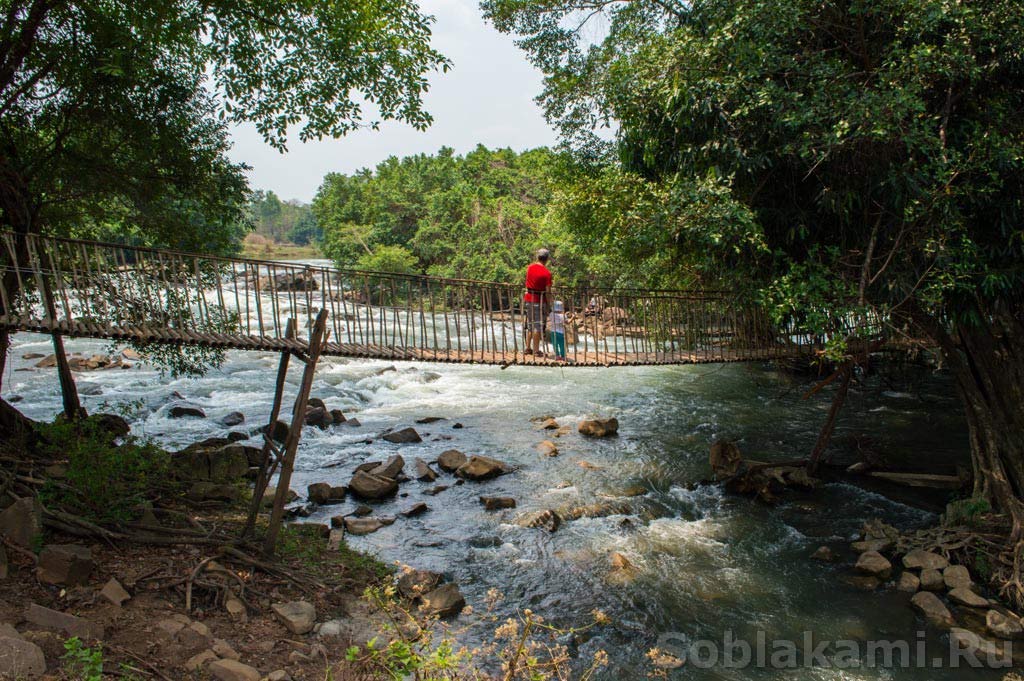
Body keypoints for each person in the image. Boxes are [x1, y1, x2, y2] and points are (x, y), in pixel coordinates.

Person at [523, 248, 552, 356]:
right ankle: (536, 350)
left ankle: (527, 348)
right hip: (539, 300)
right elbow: (548, 291)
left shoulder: (530, 268)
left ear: (537, 257)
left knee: (530, 324)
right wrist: (549, 304)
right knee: (538, 325)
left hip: (529, 298)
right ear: (547, 259)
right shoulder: (547, 273)